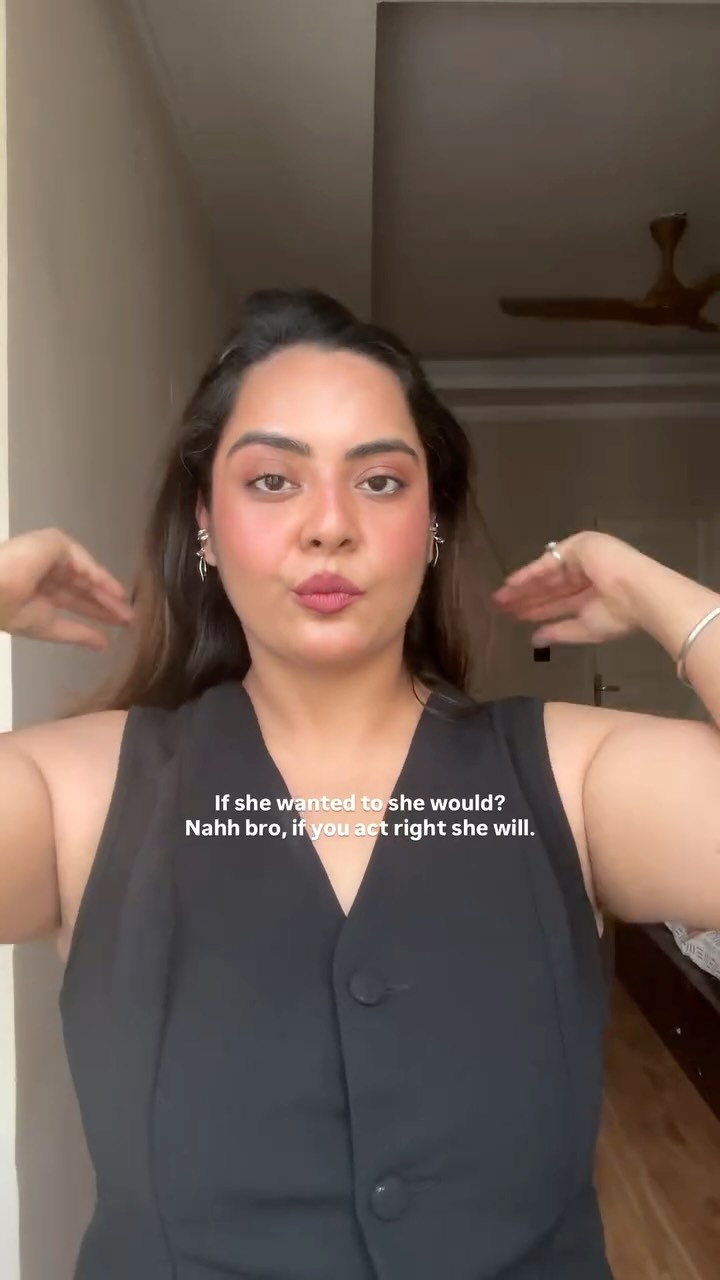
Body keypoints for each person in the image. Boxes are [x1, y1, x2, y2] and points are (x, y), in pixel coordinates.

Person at [1, 288, 719, 1280]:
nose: (330, 525)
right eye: (272, 480)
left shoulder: (570, 775)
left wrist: (665, 596)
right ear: (204, 522)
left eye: (380, 481)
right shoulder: (75, 790)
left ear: (433, 524)